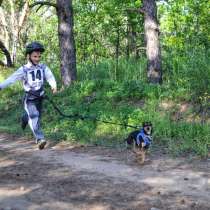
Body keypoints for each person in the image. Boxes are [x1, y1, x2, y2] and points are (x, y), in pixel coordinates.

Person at [0, 41, 57, 150]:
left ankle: (25, 117)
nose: (37, 58)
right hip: (29, 99)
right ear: (29, 56)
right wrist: (1, 86)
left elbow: (49, 76)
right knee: (34, 116)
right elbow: (11, 79)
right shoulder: (24, 69)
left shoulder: (43, 67)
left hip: (40, 97)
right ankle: (40, 139)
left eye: (39, 56)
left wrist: (53, 85)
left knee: (37, 117)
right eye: (35, 56)